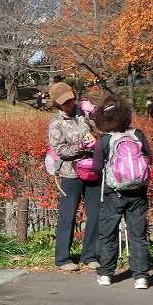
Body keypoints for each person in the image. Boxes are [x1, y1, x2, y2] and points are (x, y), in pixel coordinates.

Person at [90, 97, 152, 289]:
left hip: (113, 193)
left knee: (108, 233)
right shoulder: (138, 134)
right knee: (138, 234)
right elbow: (149, 159)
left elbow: (97, 167)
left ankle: (106, 273)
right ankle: (141, 276)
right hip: (138, 192)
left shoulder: (105, 140)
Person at [47, 81, 100, 271]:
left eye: (70, 100)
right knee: (68, 216)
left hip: (93, 169)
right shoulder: (56, 124)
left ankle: (90, 255)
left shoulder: (83, 113)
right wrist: (81, 147)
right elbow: (60, 151)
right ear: (57, 104)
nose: (69, 104)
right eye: (64, 102)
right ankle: (62, 259)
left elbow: (102, 128)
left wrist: (94, 112)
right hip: (70, 173)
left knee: (95, 213)